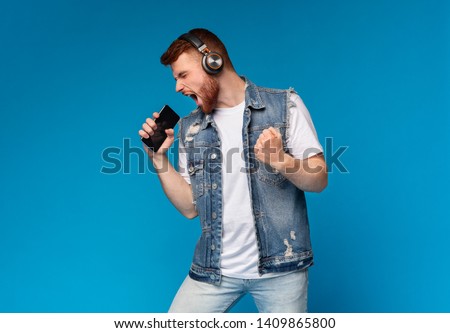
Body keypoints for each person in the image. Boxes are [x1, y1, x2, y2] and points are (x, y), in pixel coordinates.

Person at [138, 28, 327, 313]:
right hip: (213, 270)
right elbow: (190, 208)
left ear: (212, 62)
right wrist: (159, 159)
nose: (177, 87)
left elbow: (319, 179)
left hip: (281, 270)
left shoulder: (285, 106)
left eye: (183, 75)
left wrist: (280, 160)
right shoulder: (191, 128)